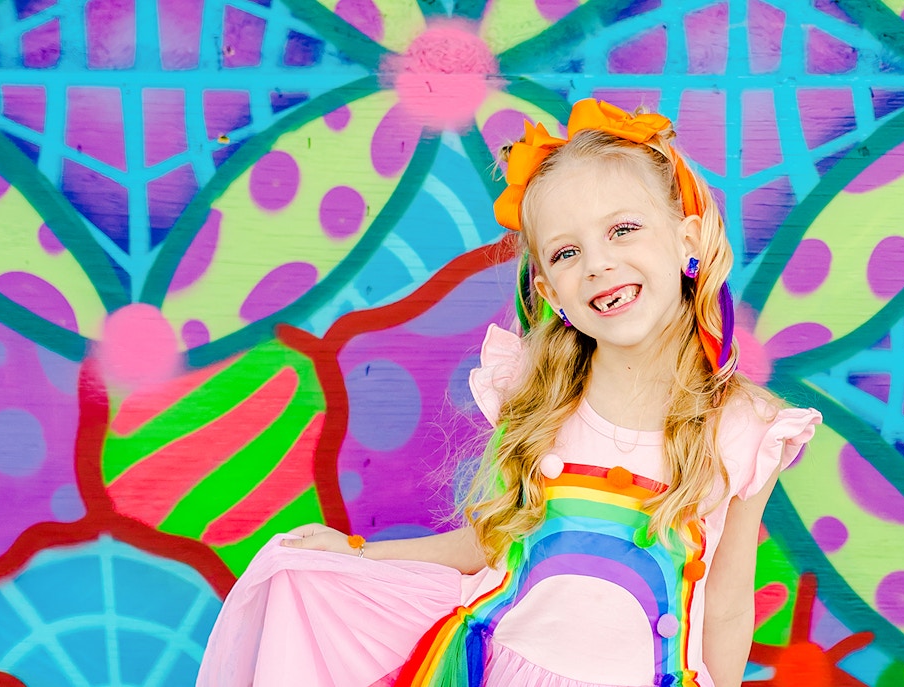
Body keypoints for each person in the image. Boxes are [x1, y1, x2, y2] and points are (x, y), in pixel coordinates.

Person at [195, 98, 822, 687]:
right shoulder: (540, 398)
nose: (598, 264)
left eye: (623, 230)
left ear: (687, 241)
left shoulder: (744, 428)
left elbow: (730, 600)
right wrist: (358, 554)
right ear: (551, 293)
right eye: (568, 252)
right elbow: (490, 544)